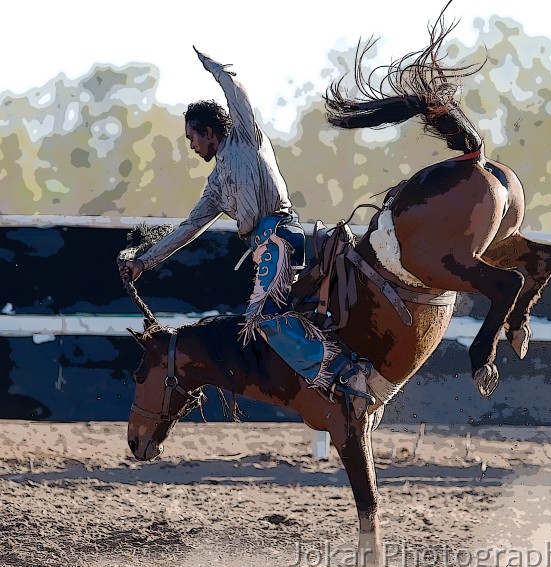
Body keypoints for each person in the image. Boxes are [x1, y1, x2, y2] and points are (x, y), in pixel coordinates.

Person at [119, 47, 374, 418]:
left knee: (265, 318)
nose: (192, 146)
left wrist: (220, 72)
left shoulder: (245, 137)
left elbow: (237, 97)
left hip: (280, 239)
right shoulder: (216, 186)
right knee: (268, 321)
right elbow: (190, 228)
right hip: (267, 247)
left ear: (209, 132)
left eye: (193, 138)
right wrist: (145, 262)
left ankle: (344, 372)